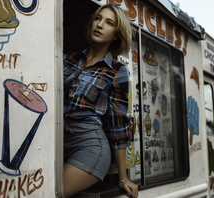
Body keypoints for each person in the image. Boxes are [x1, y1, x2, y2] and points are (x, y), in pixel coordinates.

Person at [63, 4, 138, 198]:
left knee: (50, 192)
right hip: (56, 140)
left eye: (109, 22)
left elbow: (118, 123)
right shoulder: (68, 59)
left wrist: (123, 177)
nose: (100, 24)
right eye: (98, 18)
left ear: (116, 35)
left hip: (90, 145)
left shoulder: (117, 70)